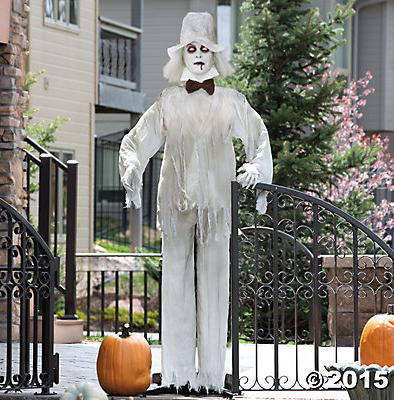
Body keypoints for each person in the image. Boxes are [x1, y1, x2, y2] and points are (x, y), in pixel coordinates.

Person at [119, 11, 273, 394]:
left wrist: (256, 168)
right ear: (182, 55)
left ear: (214, 53)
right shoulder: (168, 102)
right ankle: (177, 375)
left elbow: (258, 138)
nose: (199, 55)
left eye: (205, 48)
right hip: (176, 204)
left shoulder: (232, 102)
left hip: (217, 206)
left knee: (216, 285)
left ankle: (212, 378)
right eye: (192, 48)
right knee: (175, 283)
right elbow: (138, 139)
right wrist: (132, 165)